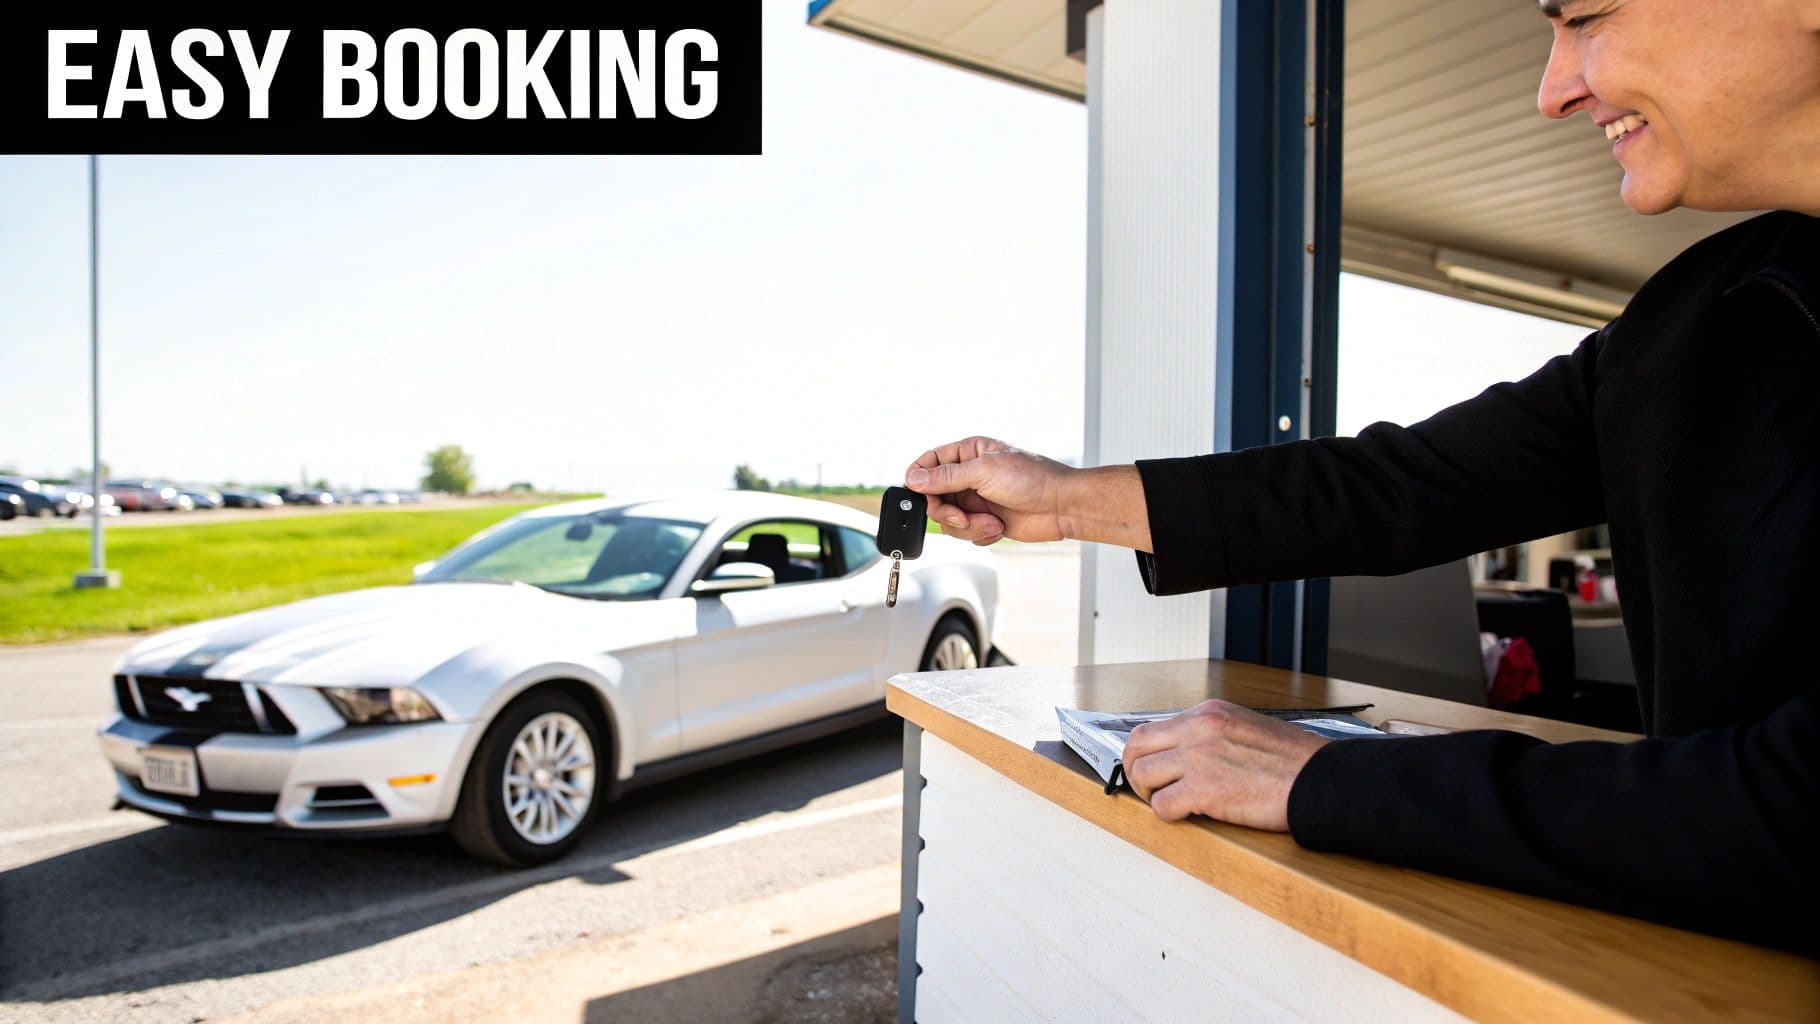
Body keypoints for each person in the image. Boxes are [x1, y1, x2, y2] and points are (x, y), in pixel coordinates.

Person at [904, 0, 1819, 954]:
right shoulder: (1691, 321)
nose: (1555, 91)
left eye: (1586, 15)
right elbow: (1402, 483)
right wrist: (1062, 498)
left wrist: (1326, 779)